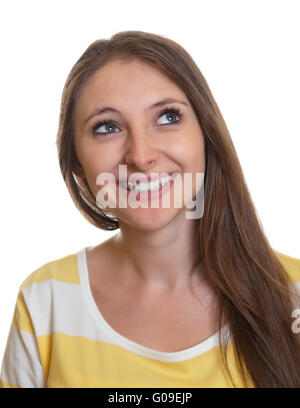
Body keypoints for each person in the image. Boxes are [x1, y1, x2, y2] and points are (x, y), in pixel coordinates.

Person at [1, 30, 300, 389]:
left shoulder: (293, 294)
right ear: (77, 163)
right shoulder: (44, 302)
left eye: (168, 117)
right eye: (107, 127)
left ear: (206, 134)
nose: (140, 156)